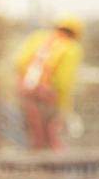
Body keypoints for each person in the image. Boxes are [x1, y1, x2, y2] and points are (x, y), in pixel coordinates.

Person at [15, 15, 84, 151]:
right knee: (53, 131)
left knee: (36, 132)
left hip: (28, 89)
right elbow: (64, 80)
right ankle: (54, 165)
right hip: (49, 93)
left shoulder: (39, 37)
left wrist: (23, 85)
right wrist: (63, 103)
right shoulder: (72, 47)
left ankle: (39, 163)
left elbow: (20, 62)